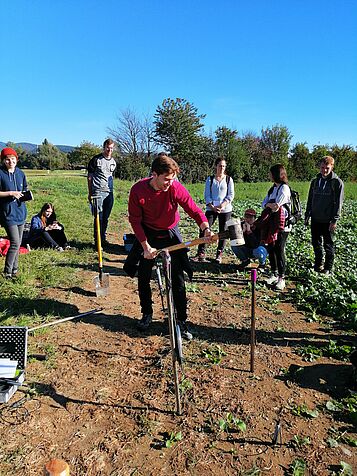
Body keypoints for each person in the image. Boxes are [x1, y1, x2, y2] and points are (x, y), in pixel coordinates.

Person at [126, 153, 213, 340]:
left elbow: (194, 209)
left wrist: (205, 228)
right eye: (166, 179)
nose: (169, 183)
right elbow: (135, 220)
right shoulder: (138, 190)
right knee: (143, 275)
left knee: (178, 279)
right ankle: (147, 313)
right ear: (154, 174)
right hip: (148, 233)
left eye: (172, 179)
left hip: (170, 233)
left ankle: (181, 319)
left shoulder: (175, 188)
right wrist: (145, 246)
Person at [305, 156, 344, 274]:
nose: (324, 170)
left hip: (328, 220)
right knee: (316, 244)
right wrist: (307, 214)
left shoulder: (337, 183)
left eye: (327, 168)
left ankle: (328, 267)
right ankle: (318, 264)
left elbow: (338, 203)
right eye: (322, 168)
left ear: (332, 167)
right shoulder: (315, 181)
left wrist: (334, 220)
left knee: (328, 245)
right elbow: (310, 199)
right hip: (315, 218)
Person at [194, 158, 234, 263]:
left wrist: (222, 205)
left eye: (224, 166)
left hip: (225, 209)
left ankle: (219, 253)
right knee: (204, 228)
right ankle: (201, 252)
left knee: (223, 231)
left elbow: (230, 195)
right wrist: (212, 207)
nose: (222, 168)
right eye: (220, 166)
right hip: (211, 208)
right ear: (216, 166)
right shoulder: (210, 179)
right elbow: (207, 195)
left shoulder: (229, 180)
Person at [262, 164, 291, 291]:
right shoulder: (273, 189)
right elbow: (264, 204)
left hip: (282, 226)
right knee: (271, 248)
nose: (269, 175)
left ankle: (281, 278)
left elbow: (276, 206)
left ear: (277, 174)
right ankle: (273, 273)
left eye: (271, 173)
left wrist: (269, 205)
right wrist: (269, 204)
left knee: (279, 249)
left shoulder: (284, 189)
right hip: (271, 224)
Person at [0, 147, 28, 278]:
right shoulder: (0, 174)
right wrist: (10, 193)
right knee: (15, 242)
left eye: (13, 159)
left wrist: (27, 196)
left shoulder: (21, 173)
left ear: (16, 159)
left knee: (18, 243)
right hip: (8, 214)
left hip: (20, 212)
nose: (10, 161)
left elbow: (25, 188)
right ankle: (7, 272)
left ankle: (14, 270)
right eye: (7, 159)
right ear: (3, 161)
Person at [87, 139, 117, 246]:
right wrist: (90, 193)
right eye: (108, 148)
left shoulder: (113, 162)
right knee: (98, 217)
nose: (109, 150)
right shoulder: (96, 160)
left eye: (111, 148)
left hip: (109, 193)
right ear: (104, 147)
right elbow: (90, 177)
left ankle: (103, 238)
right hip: (98, 192)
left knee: (106, 218)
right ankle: (97, 242)